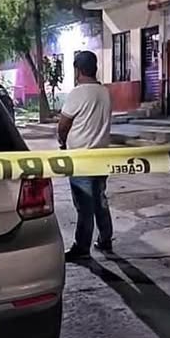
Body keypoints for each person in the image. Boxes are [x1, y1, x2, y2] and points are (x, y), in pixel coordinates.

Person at [58, 51, 113, 262]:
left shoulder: (78, 93)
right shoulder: (105, 92)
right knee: (100, 199)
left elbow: (63, 125)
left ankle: (82, 247)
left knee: (84, 205)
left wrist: (62, 142)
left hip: (81, 159)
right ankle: (105, 239)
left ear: (78, 70)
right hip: (102, 157)